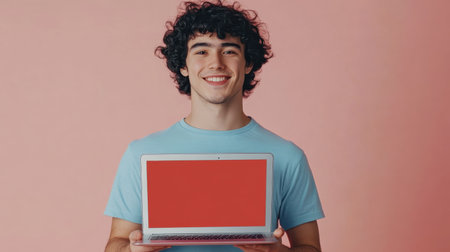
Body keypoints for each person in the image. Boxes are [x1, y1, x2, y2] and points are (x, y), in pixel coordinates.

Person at [104, 1, 324, 251]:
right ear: (183, 66)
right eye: (201, 51)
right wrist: (133, 250)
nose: (216, 63)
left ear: (248, 63)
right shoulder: (140, 154)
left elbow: (309, 247)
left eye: (229, 51)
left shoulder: (288, 156)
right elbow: (116, 243)